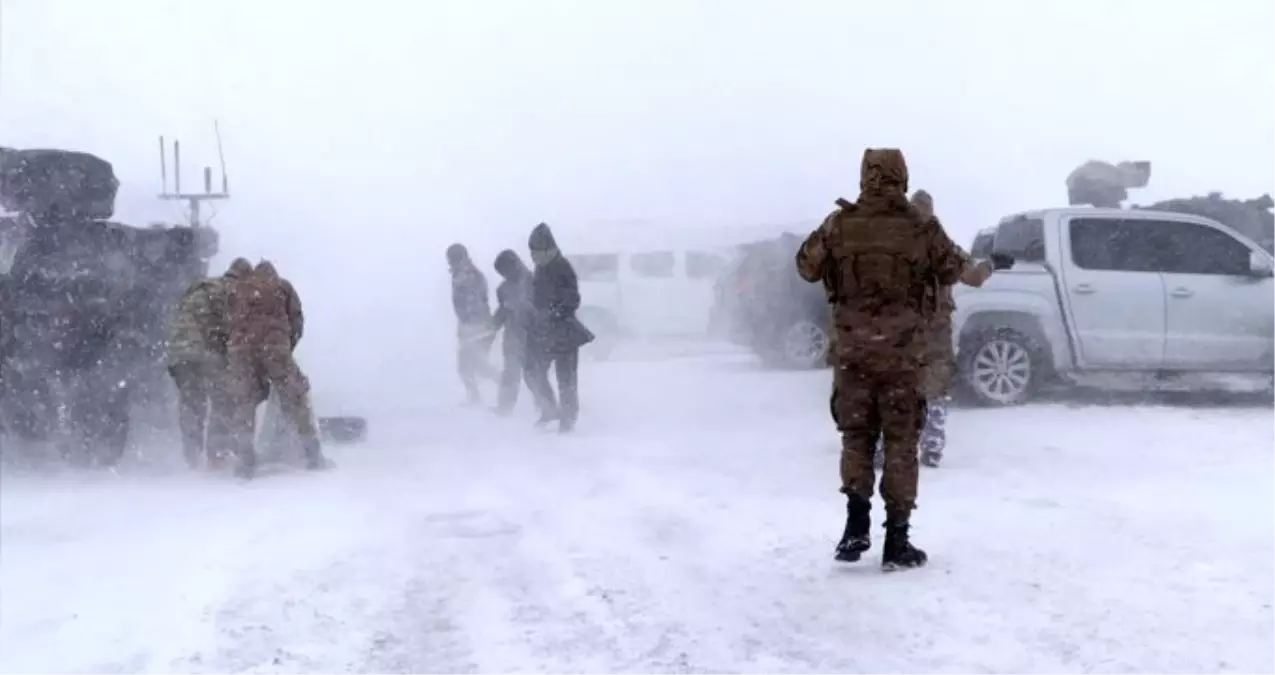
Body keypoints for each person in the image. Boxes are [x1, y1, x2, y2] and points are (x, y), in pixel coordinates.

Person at [795, 148, 1007, 570]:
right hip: (903, 358)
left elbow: (806, 266)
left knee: (856, 439)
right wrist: (989, 265)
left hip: (853, 357)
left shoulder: (838, 224)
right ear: (902, 177)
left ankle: (855, 526)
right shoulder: (921, 227)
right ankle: (897, 541)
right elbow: (964, 273)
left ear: (864, 177)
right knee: (901, 444)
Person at [225, 260, 327, 477]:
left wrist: (238, 346)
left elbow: (228, 322)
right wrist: (285, 346)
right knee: (295, 395)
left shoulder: (238, 288)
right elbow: (296, 320)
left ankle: (245, 460)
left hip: (241, 349)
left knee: (244, 402)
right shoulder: (281, 285)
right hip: (274, 346)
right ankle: (313, 454)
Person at [165, 257, 252, 468]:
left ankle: (191, 457)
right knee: (223, 398)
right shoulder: (229, 290)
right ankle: (217, 455)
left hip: (179, 352)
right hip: (202, 351)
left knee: (192, 404)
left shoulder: (202, 287)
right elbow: (226, 327)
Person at [525, 223, 593, 433]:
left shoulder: (562, 266)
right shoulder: (541, 267)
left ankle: (568, 417)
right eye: (532, 253)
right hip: (543, 330)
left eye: (536, 252)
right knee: (532, 371)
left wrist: (556, 310)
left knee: (566, 377)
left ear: (548, 249)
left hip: (564, 331)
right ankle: (549, 409)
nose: (533, 257)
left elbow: (573, 297)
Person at [912, 189, 957, 468]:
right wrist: (991, 265)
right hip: (937, 328)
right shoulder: (943, 243)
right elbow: (970, 274)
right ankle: (932, 447)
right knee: (936, 390)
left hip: (904, 329)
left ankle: (883, 449)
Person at [491, 249, 541, 416]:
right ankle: (504, 408)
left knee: (533, 375)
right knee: (510, 374)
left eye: (506, 271)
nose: (505, 275)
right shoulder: (503, 289)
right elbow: (502, 312)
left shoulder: (535, 282)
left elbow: (541, 310)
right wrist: (492, 326)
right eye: (502, 273)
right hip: (512, 338)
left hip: (532, 337)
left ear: (516, 264)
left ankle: (544, 407)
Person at [446, 243, 497, 405]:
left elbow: (474, 304)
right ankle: (505, 386)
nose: (451, 263)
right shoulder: (461, 274)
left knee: (472, 366)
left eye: (453, 259)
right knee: (475, 366)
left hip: (477, 328)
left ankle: (507, 386)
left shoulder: (468, 276)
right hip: (472, 327)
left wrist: (469, 327)